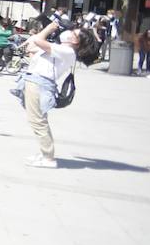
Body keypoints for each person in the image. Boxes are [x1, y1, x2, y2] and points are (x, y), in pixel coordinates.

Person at [12, 15, 99, 166]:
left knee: (38, 121)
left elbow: (37, 41)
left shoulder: (68, 52)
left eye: (74, 34)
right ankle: (44, 152)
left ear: (77, 42)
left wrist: (48, 29)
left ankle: (48, 157)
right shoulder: (62, 48)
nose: (70, 33)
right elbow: (32, 47)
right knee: (38, 120)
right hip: (35, 80)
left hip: (40, 83)